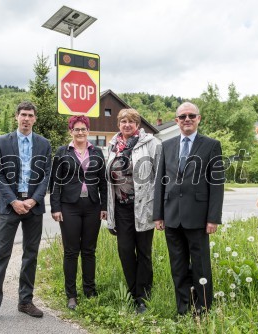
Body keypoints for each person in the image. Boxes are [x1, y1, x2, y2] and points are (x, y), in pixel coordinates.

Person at [0, 101, 52, 326]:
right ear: (16, 117)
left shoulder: (44, 144)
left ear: (35, 119)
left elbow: (46, 174)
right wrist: (13, 201)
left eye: (30, 115)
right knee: (1, 253)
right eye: (23, 115)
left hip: (33, 206)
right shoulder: (2, 142)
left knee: (31, 254)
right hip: (10, 206)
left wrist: (33, 199)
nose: (26, 119)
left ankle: (25, 301)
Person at [153, 102, 225, 317]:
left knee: (201, 265)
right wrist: (158, 214)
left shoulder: (211, 145)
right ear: (176, 121)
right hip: (172, 216)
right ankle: (183, 309)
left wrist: (213, 218)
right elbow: (160, 181)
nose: (187, 119)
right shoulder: (166, 146)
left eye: (191, 116)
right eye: (182, 116)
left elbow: (217, 184)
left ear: (198, 118)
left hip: (199, 217)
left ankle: (202, 308)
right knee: (178, 266)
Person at [106, 108, 161, 314]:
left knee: (144, 252)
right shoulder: (112, 146)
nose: (127, 125)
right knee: (125, 251)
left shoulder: (152, 144)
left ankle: (143, 297)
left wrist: (158, 210)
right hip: (121, 208)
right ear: (118, 124)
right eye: (123, 121)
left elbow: (160, 177)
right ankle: (132, 292)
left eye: (131, 121)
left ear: (138, 125)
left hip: (144, 207)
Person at [50, 115, 107, 310]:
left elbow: (103, 182)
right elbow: (55, 182)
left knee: (89, 251)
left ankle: (90, 290)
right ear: (71, 131)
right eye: (77, 129)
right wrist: (55, 207)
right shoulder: (62, 152)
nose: (80, 132)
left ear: (88, 131)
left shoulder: (97, 152)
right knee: (71, 251)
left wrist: (104, 206)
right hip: (69, 206)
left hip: (92, 206)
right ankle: (71, 295)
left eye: (83, 129)